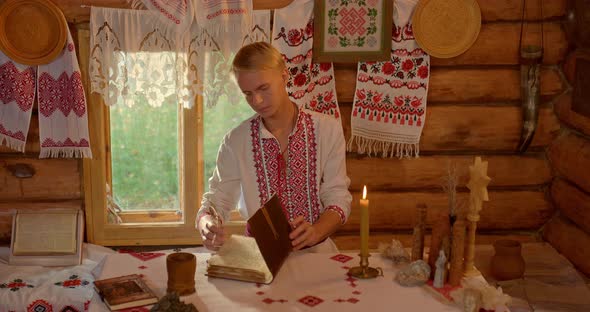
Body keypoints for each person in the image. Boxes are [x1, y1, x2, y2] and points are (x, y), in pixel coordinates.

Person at [196, 42, 351, 252]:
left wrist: (316, 232)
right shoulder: (236, 141)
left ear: (284, 76)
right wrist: (207, 224)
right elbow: (217, 200)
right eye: (248, 93)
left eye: (263, 88)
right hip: (259, 256)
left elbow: (338, 196)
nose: (257, 101)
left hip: (317, 256)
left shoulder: (327, 129)